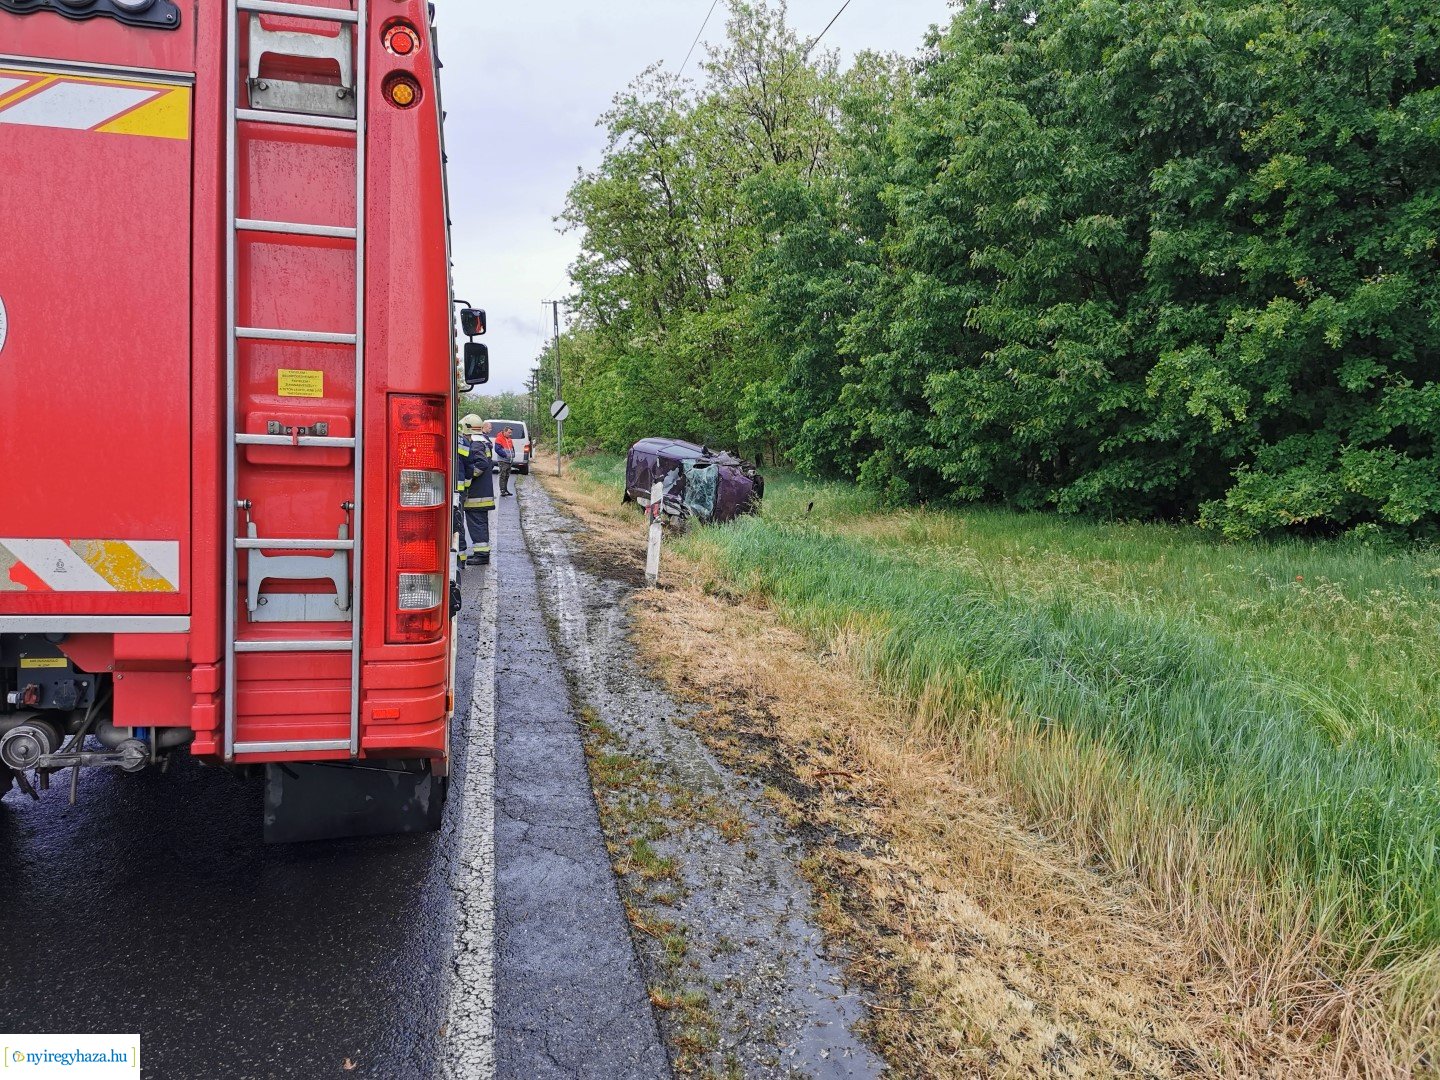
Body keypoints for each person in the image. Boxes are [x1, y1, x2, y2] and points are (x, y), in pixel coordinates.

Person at [460, 414, 494, 565]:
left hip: (477, 493)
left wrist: (467, 479)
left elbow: (481, 464)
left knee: (476, 523)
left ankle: (481, 555)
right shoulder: (483, 441)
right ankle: (481, 553)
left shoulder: (475, 443)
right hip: (481, 492)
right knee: (479, 522)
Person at [494, 426, 515, 496]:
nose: (510, 434)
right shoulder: (499, 438)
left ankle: (505, 489)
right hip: (503, 461)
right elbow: (497, 449)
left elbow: (512, 448)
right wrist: (505, 455)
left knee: (507, 476)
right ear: (504, 431)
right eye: (509, 432)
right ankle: (502, 490)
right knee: (503, 475)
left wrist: (513, 455)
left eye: (511, 433)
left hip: (509, 460)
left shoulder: (509, 439)